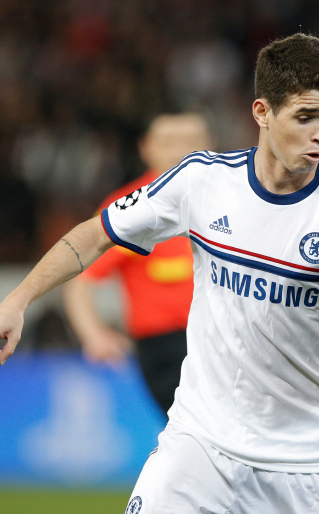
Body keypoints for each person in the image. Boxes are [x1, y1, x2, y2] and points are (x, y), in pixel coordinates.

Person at [0, 34, 319, 513]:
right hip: (198, 445)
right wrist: (16, 302)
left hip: (305, 467)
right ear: (262, 112)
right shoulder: (202, 181)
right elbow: (94, 235)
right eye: (305, 116)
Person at [62, 113, 211, 416]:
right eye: (168, 142)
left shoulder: (231, 199)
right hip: (168, 349)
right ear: (146, 148)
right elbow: (80, 277)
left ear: (210, 145)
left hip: (226, 337)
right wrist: (93, 334)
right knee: (199, 431)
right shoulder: (129, 208)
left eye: (191, 141)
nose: (180, 151)